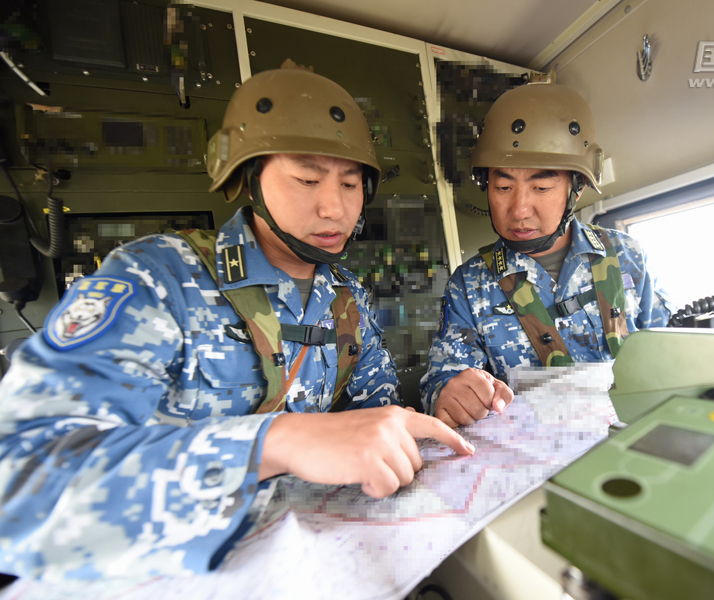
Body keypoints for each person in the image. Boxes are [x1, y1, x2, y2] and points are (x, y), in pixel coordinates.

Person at [0, 62, 473, 582]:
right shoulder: (155, 279)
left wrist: (439, 409)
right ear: (249, 178)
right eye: (307, 178)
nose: (335, 207)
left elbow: (375, 414)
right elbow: (18, 484)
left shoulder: (346, 297)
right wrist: (273, 443)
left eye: (352, 183)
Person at [421, 75, 674, 428]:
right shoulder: (470, 284)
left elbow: (670, 353)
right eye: (503, 185)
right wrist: (448, 393)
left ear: (577, 186)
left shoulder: (627, 255)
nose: (520, 209)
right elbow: (440, 383)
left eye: (541, 186)